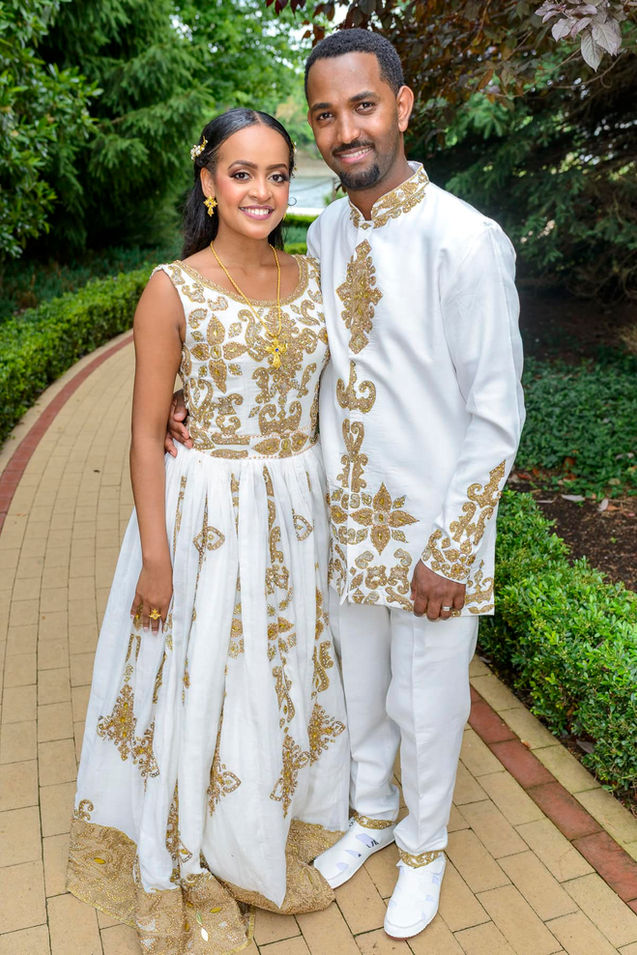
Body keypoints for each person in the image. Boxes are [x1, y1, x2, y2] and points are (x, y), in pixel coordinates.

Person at [168, 29, 525, 943]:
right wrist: (186, 401)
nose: (343, 131)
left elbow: (495, 413)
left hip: (432, 535)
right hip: (341, 522)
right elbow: (285, 355)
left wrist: (451, 547)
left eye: (362, 106)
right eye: (324, 115)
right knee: (359, 685)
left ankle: (423, 848)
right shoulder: (324, 231)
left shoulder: (465, 240)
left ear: (402, 107)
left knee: (429, 696)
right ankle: (371, 818)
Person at [66, 107, 349, 954]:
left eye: (274, 174)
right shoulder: (172, 286)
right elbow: (146, 427)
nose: (260, 191)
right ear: (208, 183)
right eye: (240, 173)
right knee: (200, 674)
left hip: (296, 515)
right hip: (202, 518)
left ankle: (251, 834)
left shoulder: (313, 277)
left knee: (273, 672)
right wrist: (155, 555)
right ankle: (188, 853)